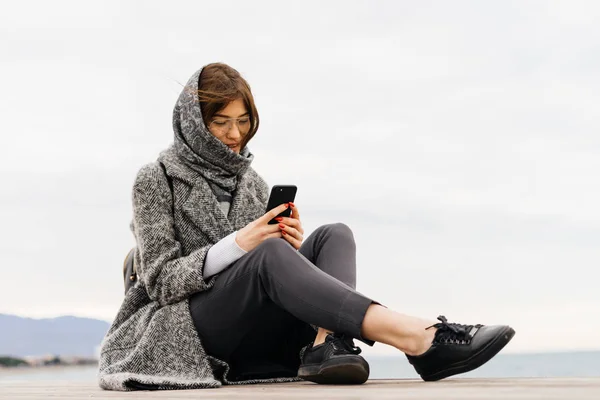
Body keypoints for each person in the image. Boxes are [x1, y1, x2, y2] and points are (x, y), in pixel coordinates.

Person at [98, 63, 515, 391]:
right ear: (193, 121)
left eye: (243, 121)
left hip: (256, 331)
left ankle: (325, 347)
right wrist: (241, 244)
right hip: (187, 332)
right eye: (220, 121)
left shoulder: (253, 183)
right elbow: (160, 282)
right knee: (264, 251)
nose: (234, 135)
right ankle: (418, 337)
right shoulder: (156, 178)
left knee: (335, 233)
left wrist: (289, 249)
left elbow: (266, 281)